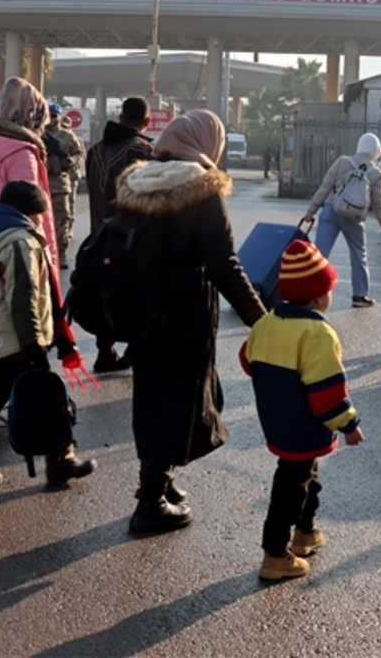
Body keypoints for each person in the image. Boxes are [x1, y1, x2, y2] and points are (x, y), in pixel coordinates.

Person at [115, 109, 266, 534]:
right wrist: (263, 319)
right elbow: (224, 264)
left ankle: (160, 481)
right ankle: (150, 501)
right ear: (207, 142)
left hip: (140, 312)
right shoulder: (200, 186)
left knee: (152, 396)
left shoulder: (139, 179)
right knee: (179, 398)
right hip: (183, 314)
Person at [0, 181, 98, 490]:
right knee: (47, 398)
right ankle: (60, 460)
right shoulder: (20, 242)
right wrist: (33, 347)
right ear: (30, 213)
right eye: (39, 215)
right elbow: (24, 298)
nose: (41, 221)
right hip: (17, 339)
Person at [240, 240, 364, 581]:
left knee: (305, 475)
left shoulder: (266, 323)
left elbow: (247, 359)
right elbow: (327, 391)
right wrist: (349, 424)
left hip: (276, 419)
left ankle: (305, 533)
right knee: (291, 488)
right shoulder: (318, 332)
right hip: (303, 423)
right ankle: (275, 554)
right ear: (319, 296)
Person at [0, 77, 80, 392]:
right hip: (11, 256)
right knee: (16, 339)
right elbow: (30, 210)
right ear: (32, 113)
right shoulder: (22, 151)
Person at [84, 95, 154, 374]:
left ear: (121, 117)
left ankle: (105, 352)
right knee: (135, 296)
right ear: (147, 122)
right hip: (131, 239)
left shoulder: (94, 150)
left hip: (98, 236)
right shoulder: (142, 152)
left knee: (104, 294)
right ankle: (135, 350)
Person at [300, 133, 381, 307]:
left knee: (320, 254)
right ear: (376, 150)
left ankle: (308, 292)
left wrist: (310, 211)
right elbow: (379, 204)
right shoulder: (376, 173)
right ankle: (359, 296)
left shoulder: (342, 162)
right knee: (359, 254)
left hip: (330, 210)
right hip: (354, 216)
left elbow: (325, 187)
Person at [43, 102, 86, 269]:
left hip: (60, 182)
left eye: (55, 115)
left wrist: (71, 161)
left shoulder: (68, 137)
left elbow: (80, 153)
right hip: (41, 181)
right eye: (50, 115)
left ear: (60, 117)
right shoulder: (39, 134)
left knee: (62, 219)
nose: (52, 119)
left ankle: (60, 253)